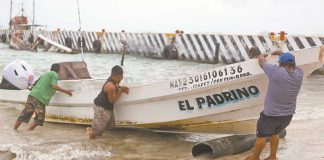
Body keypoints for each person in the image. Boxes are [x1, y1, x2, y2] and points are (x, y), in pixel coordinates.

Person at [245, 52, 304, 160]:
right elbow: (291, 63)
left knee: (261, 136)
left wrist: (260, 55)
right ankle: (272, 157)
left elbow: (262, 62)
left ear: (280, 63)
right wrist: (282, 54)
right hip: (288, 115)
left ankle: (255, 158)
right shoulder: (300, 73)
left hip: (271, 114)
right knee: (275, 133)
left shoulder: (275, 71)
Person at [14, 64, 73, 130]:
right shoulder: (54, 74)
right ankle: (28, 131)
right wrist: (66, 91)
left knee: (24, 114)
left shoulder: (44, 74)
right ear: (58, 70)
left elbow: (36, 84)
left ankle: (14, 129)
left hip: (32, 94)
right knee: (40, 118)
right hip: (39, 98)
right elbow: (54, 86)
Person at [86, 65, 129, 139]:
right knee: (98, 132)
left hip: (108, 107)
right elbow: (112, 100)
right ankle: (89, 131)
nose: (121, 80)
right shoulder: (110, 86)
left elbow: (116, 88)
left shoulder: (114, 80)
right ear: (116, 76)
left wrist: (121, 87)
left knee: (111, 126)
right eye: (120, 78)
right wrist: (121, 91)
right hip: (101, 107)